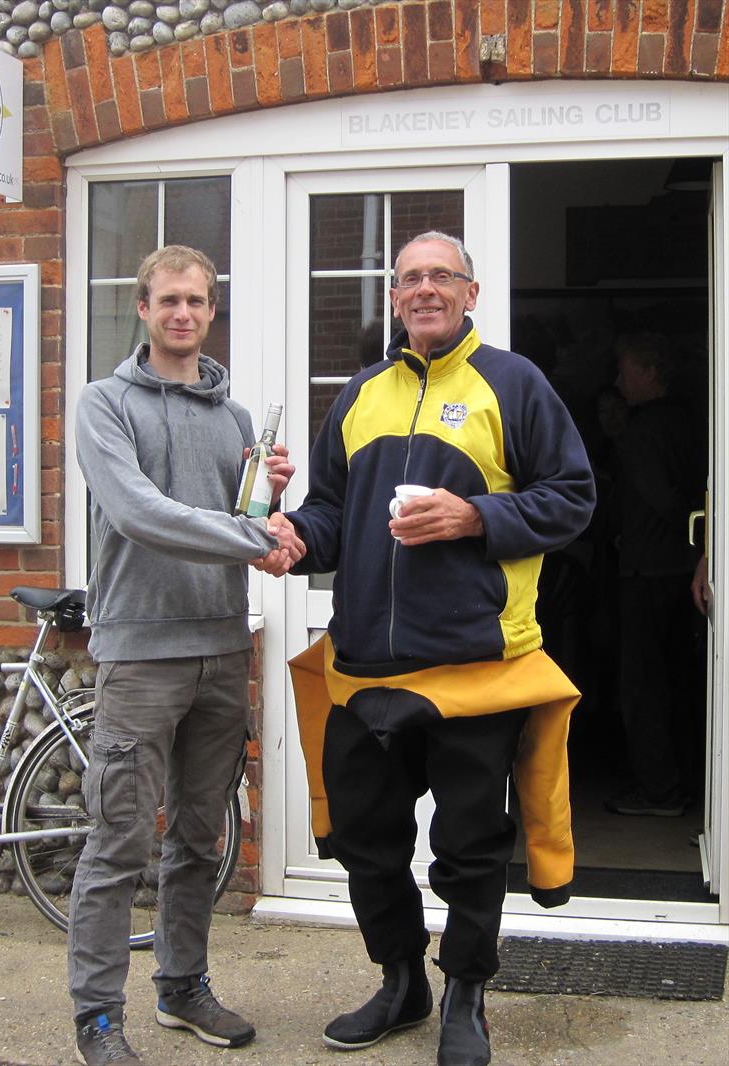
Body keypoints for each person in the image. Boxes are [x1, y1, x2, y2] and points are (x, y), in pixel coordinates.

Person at [266, 232, 595, 1066]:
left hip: (474, 670)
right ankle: (401, 982)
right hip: (365, 672)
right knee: (366, 842)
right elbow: (332, 514)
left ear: (470, 292)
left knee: (470, 849)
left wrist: (476, 516)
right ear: (396, 297)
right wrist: (295, 537)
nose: (422, 290)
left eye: (439, 277)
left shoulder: (514, 385)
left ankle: (466, 996)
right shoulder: (362, 392)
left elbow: (573, 499)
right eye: (409, 278)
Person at [71, 245, 302, 1066]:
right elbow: (139, 512)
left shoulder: (234, 418)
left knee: (201, 838)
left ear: (211, 311)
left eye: (197, 301)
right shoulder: (103, 404)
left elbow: (240, 520)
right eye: (168, 300)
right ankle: (99, 1016)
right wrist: (253, 535)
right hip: (140, 654)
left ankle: (182, 985)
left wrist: (269, 496)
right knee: (118, 842)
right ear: (143, 308)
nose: (183, 313)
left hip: (219, 647)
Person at [605, 332, 705, 818]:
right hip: (683, 569)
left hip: (647, 571)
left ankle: (657, 790)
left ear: (650, 373)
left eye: (625, 370)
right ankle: (685, 780)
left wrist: (629, 532)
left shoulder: (643, 431)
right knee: (682, 680)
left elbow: (660, 497)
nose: (619, 381)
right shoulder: (692, 419)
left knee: (643, 685)